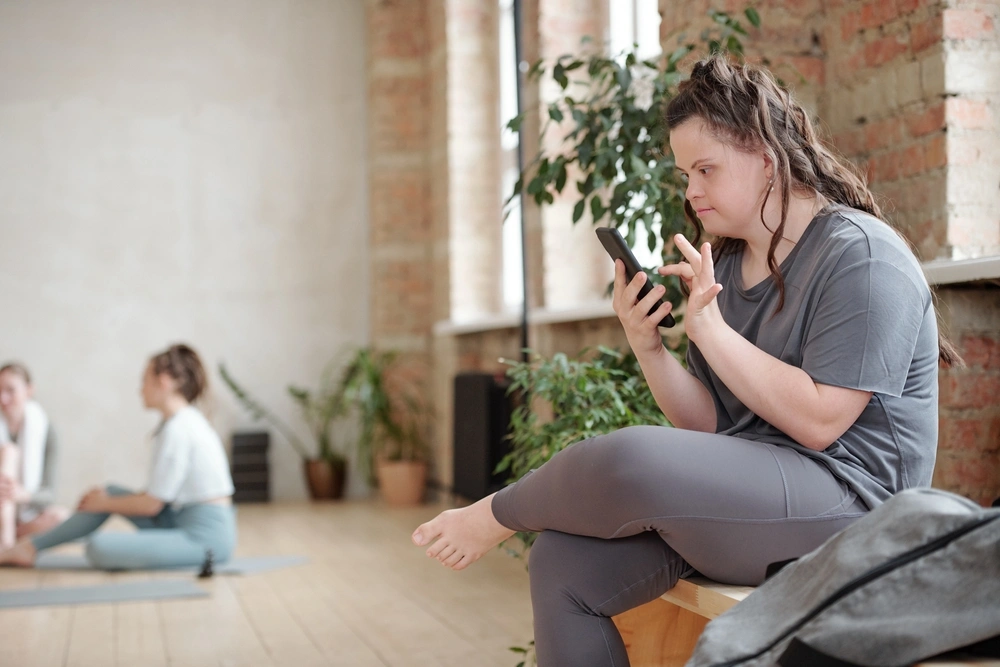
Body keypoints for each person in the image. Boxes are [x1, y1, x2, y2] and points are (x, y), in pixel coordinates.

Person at [412, 54, 955, 667]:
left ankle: (494, 514)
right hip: (767, 493)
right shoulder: (726, 264)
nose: (691, 190)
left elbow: (821, 421)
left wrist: (711, 330)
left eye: (706, 169)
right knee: (564, 561)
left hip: (856, 508)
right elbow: (710, 427)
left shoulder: (862, 255)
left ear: (767, 157)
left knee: (630, 455)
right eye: (684, 173)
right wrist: (649, 347)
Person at [0, 344, 236, 570]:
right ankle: (29, 548)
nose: (140, 388)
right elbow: (156, 498)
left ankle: (29, 547)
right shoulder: (179, 422)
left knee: (99, 547)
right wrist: (105, 500)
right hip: (178, 518)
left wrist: (102, 504)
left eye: (144, 381)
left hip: (204, 537)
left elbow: (151, 505)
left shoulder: (180, 429)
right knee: (109, 491)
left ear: (163, 382)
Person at [0, 363, 68, 548]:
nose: (3, 398)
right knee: (9, 452)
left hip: (26, 515)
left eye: (10, 390)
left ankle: (10, 537)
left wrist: (22, 495)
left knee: (62, 517)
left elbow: (49, 493)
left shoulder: (46, 431)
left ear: (29, 390)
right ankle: (6, 542)